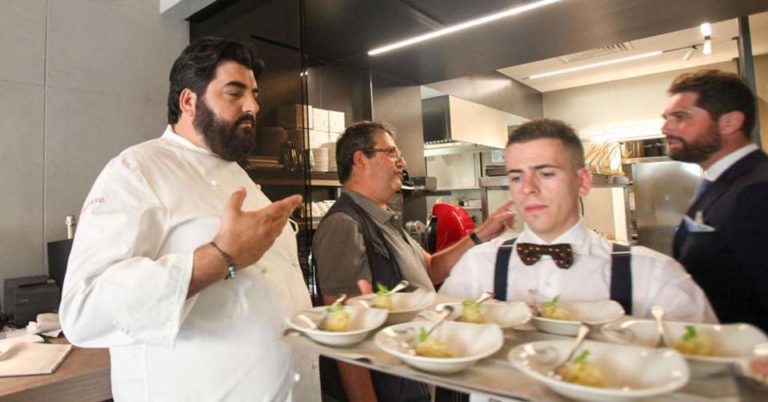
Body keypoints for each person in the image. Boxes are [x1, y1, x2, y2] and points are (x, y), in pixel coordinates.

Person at [59, 37, 311, 401]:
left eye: (255, 94)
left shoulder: (243, 180)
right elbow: (84, 310)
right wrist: (220, 256)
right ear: (189, 101)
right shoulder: (137, 170)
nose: (253, 106)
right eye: (234, 93)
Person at [312, 121, 515, 402]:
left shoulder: (383, 218)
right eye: (392, 153)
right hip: (388, 388)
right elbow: (346, 332)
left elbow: (430, 269)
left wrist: (481, 234)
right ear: (360, 159)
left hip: (411, 379)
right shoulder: (345, 225)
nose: (403, 162)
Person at [440, 119, 717, 324]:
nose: (528, 188)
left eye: (546, 173)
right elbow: (436, 336)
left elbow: (708, 374)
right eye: (516, 177)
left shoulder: (653, 275)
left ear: (582, 182)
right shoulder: (478, 266)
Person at [664, 69, 768, 332]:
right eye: (666, 118)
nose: (665, 128)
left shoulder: (758, 189)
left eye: (680, 117)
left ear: (729, 122)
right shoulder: (716, 180)